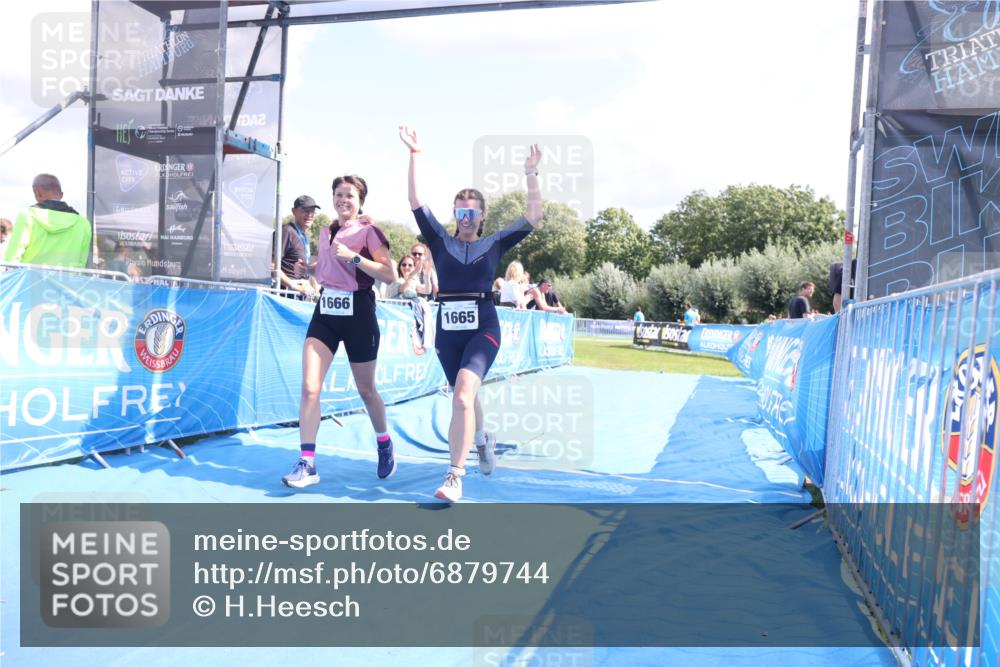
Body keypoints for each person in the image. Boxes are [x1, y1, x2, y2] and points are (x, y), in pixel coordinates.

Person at [400, 125, 543, 502]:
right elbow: (416, 200)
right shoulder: (438, 240)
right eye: (460, 211)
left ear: (482, 217)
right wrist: (415, 155)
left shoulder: (495, 243)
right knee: (466, 394)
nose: (465, 217)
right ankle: (481, 438)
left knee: (463, 395)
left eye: (472, 212)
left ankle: (454, 475)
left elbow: (534, 216)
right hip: (447, 329)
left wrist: (530, 174)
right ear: (455, 214)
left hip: (484, 325)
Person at [281, 175, 398, 489]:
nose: (343, 199)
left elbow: (390, 275)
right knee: (309, 387)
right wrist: (311, 269)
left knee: (366, 391)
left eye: (350, 195)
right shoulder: (326, 230)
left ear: (360, 201)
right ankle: (308, 462)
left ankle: (384, 441)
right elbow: (330, 267)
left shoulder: (370, 231)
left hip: (359, 313)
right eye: (338, 194)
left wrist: (356, 258)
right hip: (326, 313)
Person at [4, 174, 92, 268]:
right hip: (66, 281)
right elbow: (82, 262)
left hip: (31, 281)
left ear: (38, 194)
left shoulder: (27, 216)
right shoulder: (83, 223)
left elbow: (12, 259)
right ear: (61, 195)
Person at [279, 195, 321, 298]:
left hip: (299, 295)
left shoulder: (304, 235)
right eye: (305, 210)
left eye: (312, 211)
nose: (310, 214)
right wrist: (294, 286)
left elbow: (305, 271)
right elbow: (271, 266)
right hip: (284, 296)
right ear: (294, 211)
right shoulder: (287, 231)